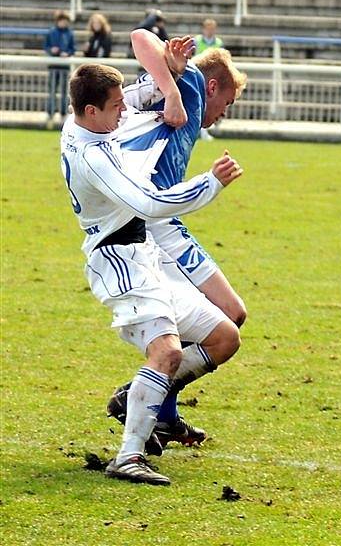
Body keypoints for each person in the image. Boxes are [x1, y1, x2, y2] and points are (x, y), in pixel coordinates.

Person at [61, 57, 243, 484]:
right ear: (92, 112)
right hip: (119, 261)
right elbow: (149, 204)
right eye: (115, 108)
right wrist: (210, 183)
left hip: (144, 253)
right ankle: (128, 457)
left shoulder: (89, 122)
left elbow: (143, 85)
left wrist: (172, 74)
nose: (124, 111)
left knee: (224, 337)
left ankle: (142, 396)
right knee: (168, 351)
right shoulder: (93, 158)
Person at [106, 33, 248, 451]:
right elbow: (140, 38)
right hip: (155, 226)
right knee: (228, 316)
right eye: (228, 102)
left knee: (231, 314)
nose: (223, 113)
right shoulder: (186, 86)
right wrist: (170, 87)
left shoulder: (190, 93)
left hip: (169, 222)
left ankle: (159, 411)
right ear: (212, 86)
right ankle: (144, 399)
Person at [44, 10, 76, 121]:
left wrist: (67, 53)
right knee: (52, 90)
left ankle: (63, 112)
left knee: (64, 90)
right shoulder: (51, 32)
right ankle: (51, 111)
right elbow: (46, 47)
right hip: (53, 65)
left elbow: (72, 49)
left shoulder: (69, 33)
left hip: (64, 66)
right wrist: (52, 50)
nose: (63, 23)